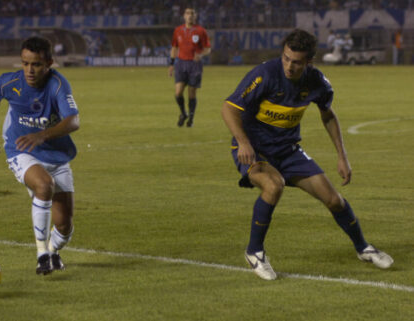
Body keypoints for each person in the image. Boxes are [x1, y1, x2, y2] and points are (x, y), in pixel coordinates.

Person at [220, 29, 393, 281]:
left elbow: (328, 115)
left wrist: (342, 156)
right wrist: (244, 143)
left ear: (309, 62)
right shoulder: (264, 74)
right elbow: (229, 108)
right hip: (255, 151)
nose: (289, 66)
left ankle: (363, 248)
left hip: (289, 150)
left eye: (297, 61)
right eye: (286, 58)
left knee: (334, 199)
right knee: (273, 184)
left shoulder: (318, 83)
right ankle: (254, 252)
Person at [0, 37, 80, 275]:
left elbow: (73, 121)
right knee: (44, 185)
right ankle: (42, 256)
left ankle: (53, 250)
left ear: (49, 63)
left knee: (65, 227)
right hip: (21, 150)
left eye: (36, 64)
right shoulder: (11, 82)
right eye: (25, 63)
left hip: (56, 155)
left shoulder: (58, 85)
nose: (29, 70)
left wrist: (42, 135)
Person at [168, 7, 211, 127]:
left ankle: (191, 119)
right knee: (178, 92)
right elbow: (174, 48)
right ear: (184, 16)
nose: (190, 15)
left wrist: (201, 54)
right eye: (187, 13)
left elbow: (208, 48)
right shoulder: (178, 30)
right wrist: (171, 64)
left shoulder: (201, 31)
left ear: (195, 16)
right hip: (181, 64)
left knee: (192, 93)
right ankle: (183, 113)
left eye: (192, 13)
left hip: (195, 65)